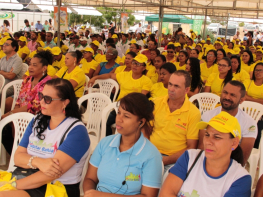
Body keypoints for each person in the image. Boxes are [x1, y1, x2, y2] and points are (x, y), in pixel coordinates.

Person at [0, 78, 90, 197]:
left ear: (65, 103)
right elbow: (17, 157)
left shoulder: (77, 131)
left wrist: (13, 185)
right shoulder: (37, 120)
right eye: (41, 95)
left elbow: (52, 173)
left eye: (48, 99)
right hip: (27, 177)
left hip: (56, 187)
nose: (41, 101)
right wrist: (38, 162)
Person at [83, 92, 162, 196]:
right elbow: (90, 179)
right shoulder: (105, 143)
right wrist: (89, 193)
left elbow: (148, 195)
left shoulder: (151, 155)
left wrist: (102, 195)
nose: (119, 119)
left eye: (126, 116)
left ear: (141, 122)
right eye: (119, 113)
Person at [160, 111, 251, 197]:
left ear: (234, 143)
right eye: (207, 135)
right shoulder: (189, 157)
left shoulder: (240, 179)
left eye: (217, 137)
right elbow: (165, 193)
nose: (208, 142)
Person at [89, 54, 153, 136]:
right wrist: (95, 78)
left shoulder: (146, 81)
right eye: (134, 62)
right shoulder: (125, 75)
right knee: (104, 123)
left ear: (144, 68)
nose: (134, 65)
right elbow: (110, 75)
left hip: (133, 109)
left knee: (127, 127)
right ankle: (109, 141)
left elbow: (141, 98)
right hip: (119, 107)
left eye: (138, 64)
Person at [150, 70, 201, 173]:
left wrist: (165, 160)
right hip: (150, 154)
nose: (171, 89)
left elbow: (191, 147)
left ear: (186, 90)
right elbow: (145, 131)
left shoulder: (193, 113)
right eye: (170, 84)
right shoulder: (156, 103)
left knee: (164, 185)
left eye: (176, 86)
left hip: (174, 160)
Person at [199, 80, 257, 164]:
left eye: (232, 95)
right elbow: (202, 147)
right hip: (207, 162)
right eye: (225, 92)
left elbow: (242, 158)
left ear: (241, 100)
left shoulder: (249, 123)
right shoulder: (208, 115)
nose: (227, 97)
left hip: (232, 165)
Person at [246, 62, 263, 148]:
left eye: (260, 70)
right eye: (256, 70)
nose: (258, 72)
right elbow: (243, 96)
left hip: (260, 115)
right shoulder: (248, 82)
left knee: (257, 127)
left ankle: (253, 148)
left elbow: (246, 97)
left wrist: (250, 98)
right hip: (246, 111)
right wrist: (258, 101)